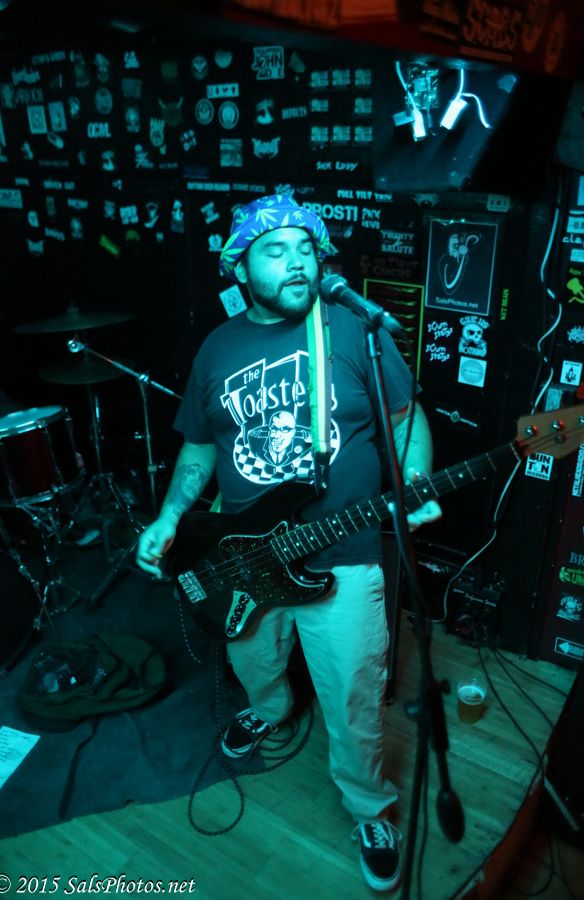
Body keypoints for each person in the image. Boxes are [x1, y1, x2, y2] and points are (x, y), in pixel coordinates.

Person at [136, 194, 442, 893]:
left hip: (344, 548)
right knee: (254, 660)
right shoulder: (219, 347)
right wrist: (170, 517)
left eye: (306, 248)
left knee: (354, 694)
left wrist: (418, 478)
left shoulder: (353, 330)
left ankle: (369, 808)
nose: (298, 262)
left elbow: (405, 416)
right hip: (243, 555)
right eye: (276, 251)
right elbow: (199, 448)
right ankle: (272, 713)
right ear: (239, 267)